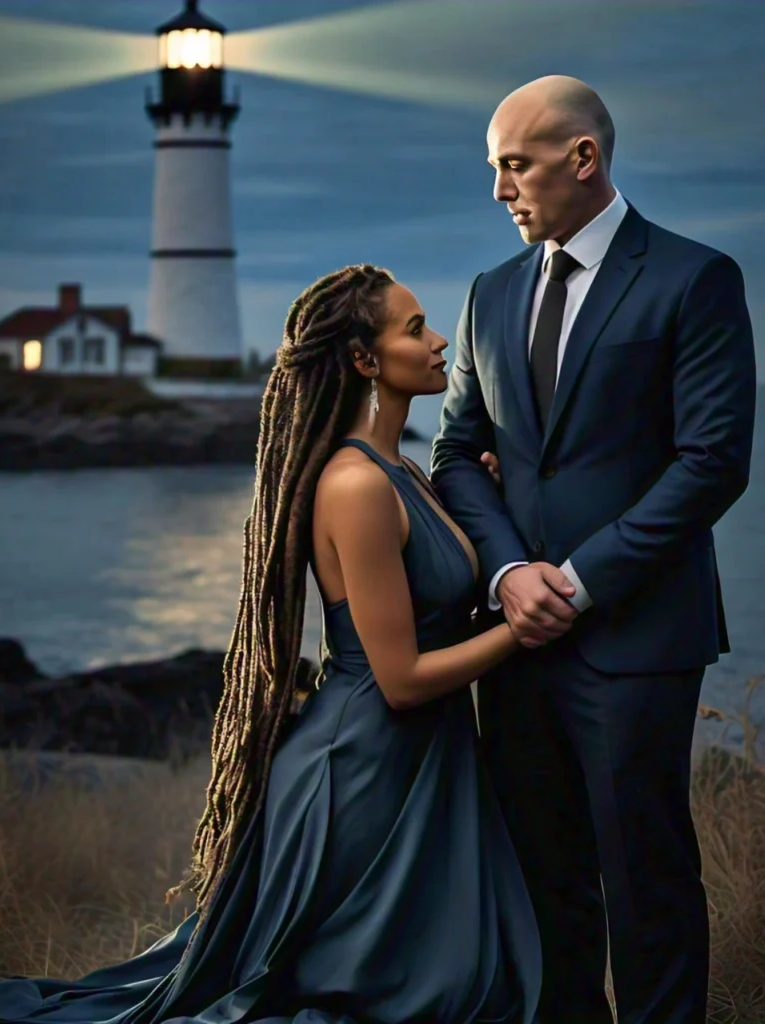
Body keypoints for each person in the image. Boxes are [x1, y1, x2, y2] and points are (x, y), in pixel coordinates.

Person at [0, 265, 546, 1024]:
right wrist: (523, 628)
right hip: (366, 770)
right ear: (364, 359)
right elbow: (402, 678)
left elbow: (439, 609)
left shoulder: (403, 470)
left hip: (419, 761)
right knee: (394, 999)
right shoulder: (356, 485)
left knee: (458, 988)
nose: (440, 340)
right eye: (414, 328)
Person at [431, 75, 757, 1024]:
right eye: (494, 168)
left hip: (638, 638)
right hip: (514, 643)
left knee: (646, 881)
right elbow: (456, 452)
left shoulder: (695, 278)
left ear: (584, 159)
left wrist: (575, 581)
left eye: (514, 165)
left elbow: (711, 463)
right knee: (545, 883)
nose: (500, 189)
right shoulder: (490, 294)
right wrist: (508, 573)